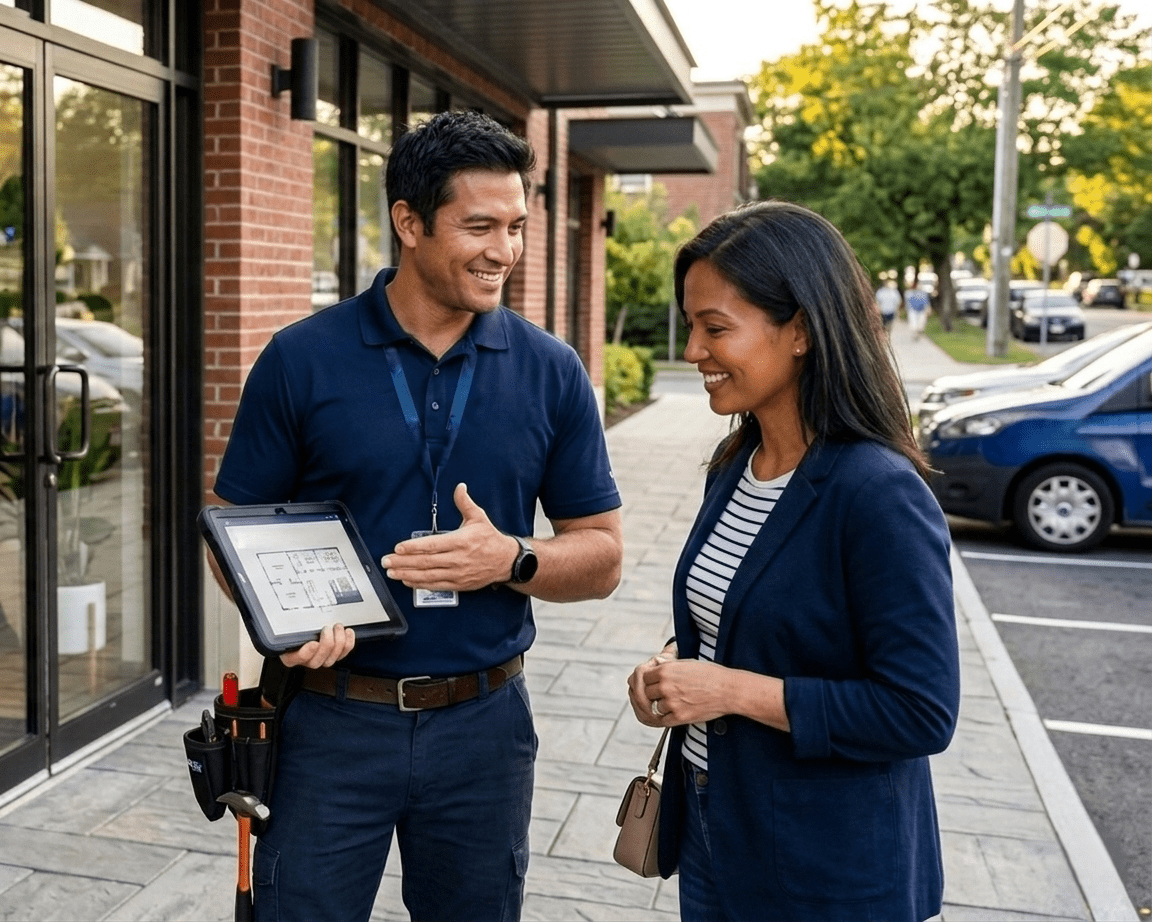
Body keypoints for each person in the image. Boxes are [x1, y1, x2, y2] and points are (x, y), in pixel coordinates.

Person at [213, 109, 624, 922]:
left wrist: (513, 559)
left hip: (484, 730)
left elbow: (603, 556)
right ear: (409, 222)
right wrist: (282, 623)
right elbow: (232, 526)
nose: (504, 250)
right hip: (331, 721)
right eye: (479, 226)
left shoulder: (553, 371)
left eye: (515, 227)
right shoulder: (302, 357)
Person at [626, 201, 959, 922]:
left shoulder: (878, 493)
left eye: (716, 328)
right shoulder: (737, 463)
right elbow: (746, 619)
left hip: (827, 868)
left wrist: (729, 690)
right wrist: (674, 669)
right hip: (714, 829)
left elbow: (920, 712)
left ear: (802, 330)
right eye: (691, 326)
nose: (693, 351)